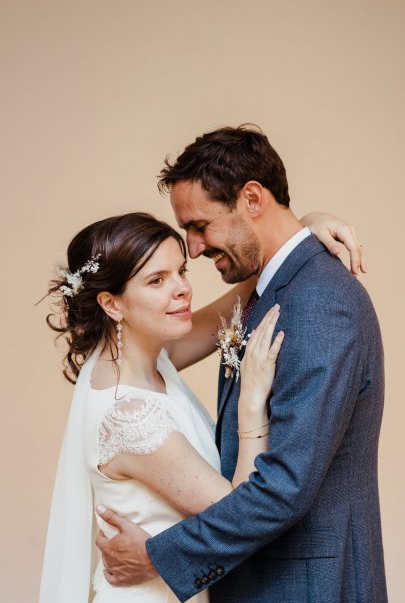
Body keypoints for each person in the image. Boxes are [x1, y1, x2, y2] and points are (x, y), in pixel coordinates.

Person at [96, 126, 387, 603]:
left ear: (252, 198)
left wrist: (154, 557)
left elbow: (283, 488)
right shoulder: (273, 289)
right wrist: (304, 227)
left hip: (305, 589)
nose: (192, 247)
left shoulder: (321, 305)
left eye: (199, 226)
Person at [40, 206, 362, 603]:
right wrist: (251, 405)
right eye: (156, 280)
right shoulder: (130, 419)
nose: (181, 289)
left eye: (182, 272)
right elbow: (242, 516)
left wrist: (297, 234)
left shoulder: (149, 359)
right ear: (111, 303)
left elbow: (245, 292)